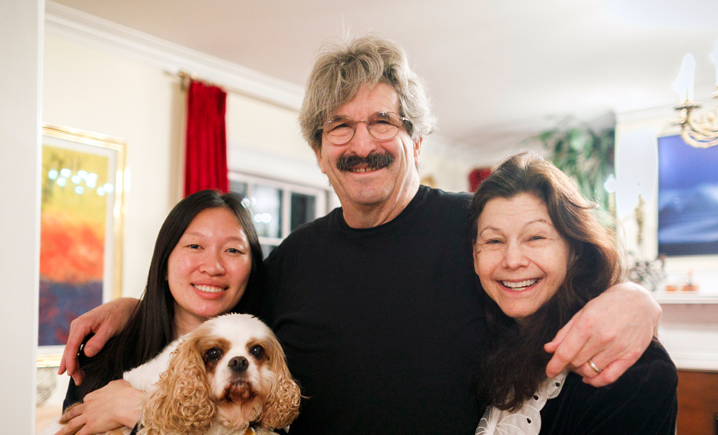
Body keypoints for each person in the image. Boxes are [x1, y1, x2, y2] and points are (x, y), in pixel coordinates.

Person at [59, 35, 662, 435]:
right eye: (339, 128)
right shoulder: (292, 260)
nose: (362, 144)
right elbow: (218, 331)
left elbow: (558, 275)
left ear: (417, 143)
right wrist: (137, 305)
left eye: (382, 121)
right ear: (319, 155)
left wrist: (636, 299)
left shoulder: (476, 229)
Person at [471, 152, 677, 434]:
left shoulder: (629, 367)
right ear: (474, 255)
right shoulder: (475, 337)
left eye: (536, 237)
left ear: (574, 249)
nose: (512, 260)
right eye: (494, 240)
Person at [55, 189, 264, 435]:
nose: (213, 267)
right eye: (195, 246)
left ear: (252, 268)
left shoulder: (264, 366)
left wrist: (143, 411)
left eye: (233, 250)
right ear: (163, 264)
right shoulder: (105, 355)